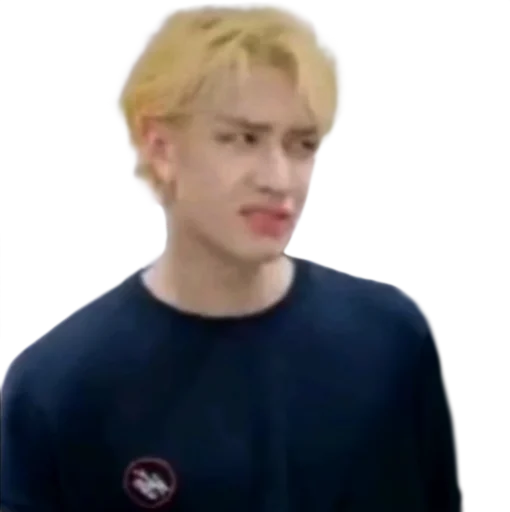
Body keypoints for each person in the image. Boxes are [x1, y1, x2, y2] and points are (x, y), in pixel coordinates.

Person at [0, 2, 464, 511]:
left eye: (301, 144)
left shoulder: (397, 346)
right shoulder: (60, 388)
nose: (278, 179)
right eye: (244, 139)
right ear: (160, 147)